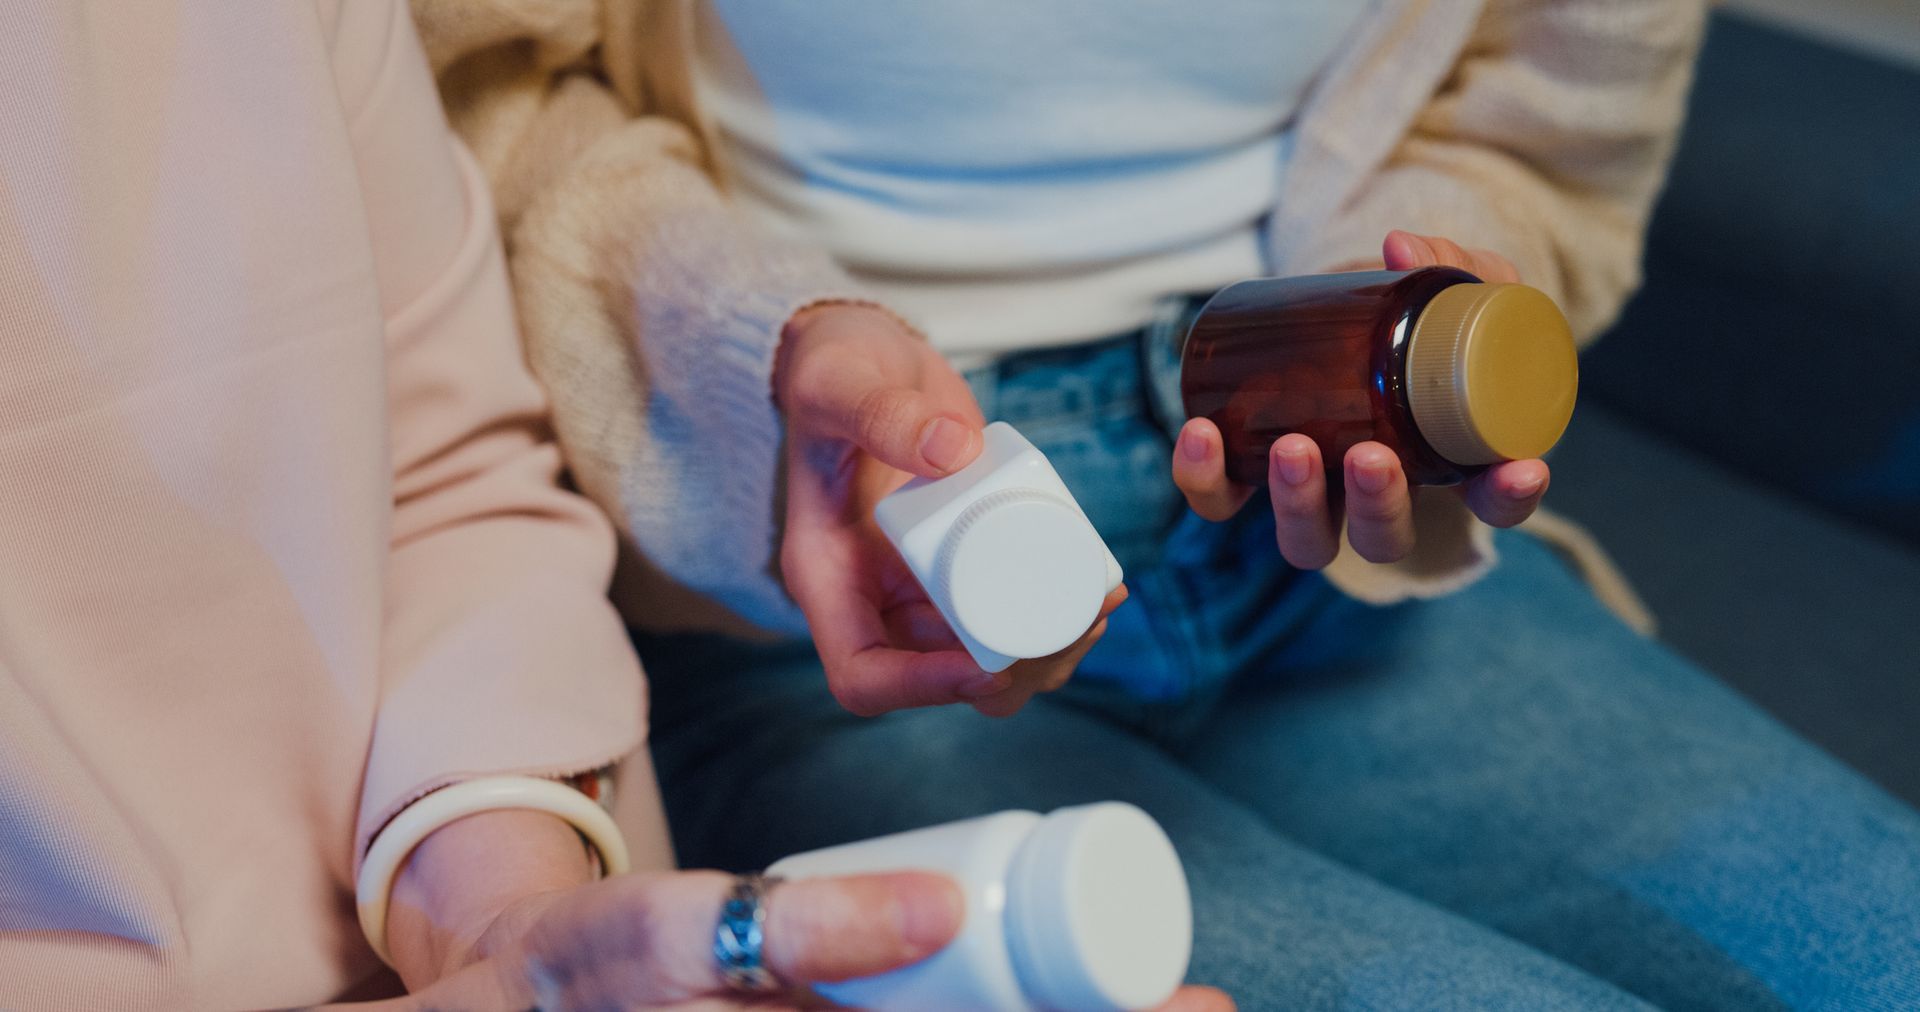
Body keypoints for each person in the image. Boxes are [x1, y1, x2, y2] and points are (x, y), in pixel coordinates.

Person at [421, 0, 1920, 1007]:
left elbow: (1541, 123)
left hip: (1313, 516)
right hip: (831, 581)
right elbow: (478, 102)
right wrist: (763, 349)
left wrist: (1406, 291)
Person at [5, 3, 1231, 1009]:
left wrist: (505, 923)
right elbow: (511, 104)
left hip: (497, 855)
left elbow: (445, 479)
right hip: (735, 655)